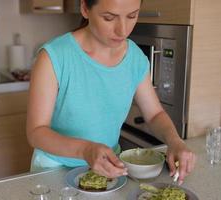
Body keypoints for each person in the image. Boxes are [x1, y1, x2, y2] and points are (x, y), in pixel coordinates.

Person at [26, 0, 196, 185]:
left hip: (109, 170)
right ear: (85, 8)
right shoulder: (54, 57)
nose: (122, 30)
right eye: (109, 18)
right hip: (53, 170)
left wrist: (175, 141)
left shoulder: (135, 58)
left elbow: (155, 114)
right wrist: (85, 150)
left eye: (132, 16)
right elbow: (36, 132)